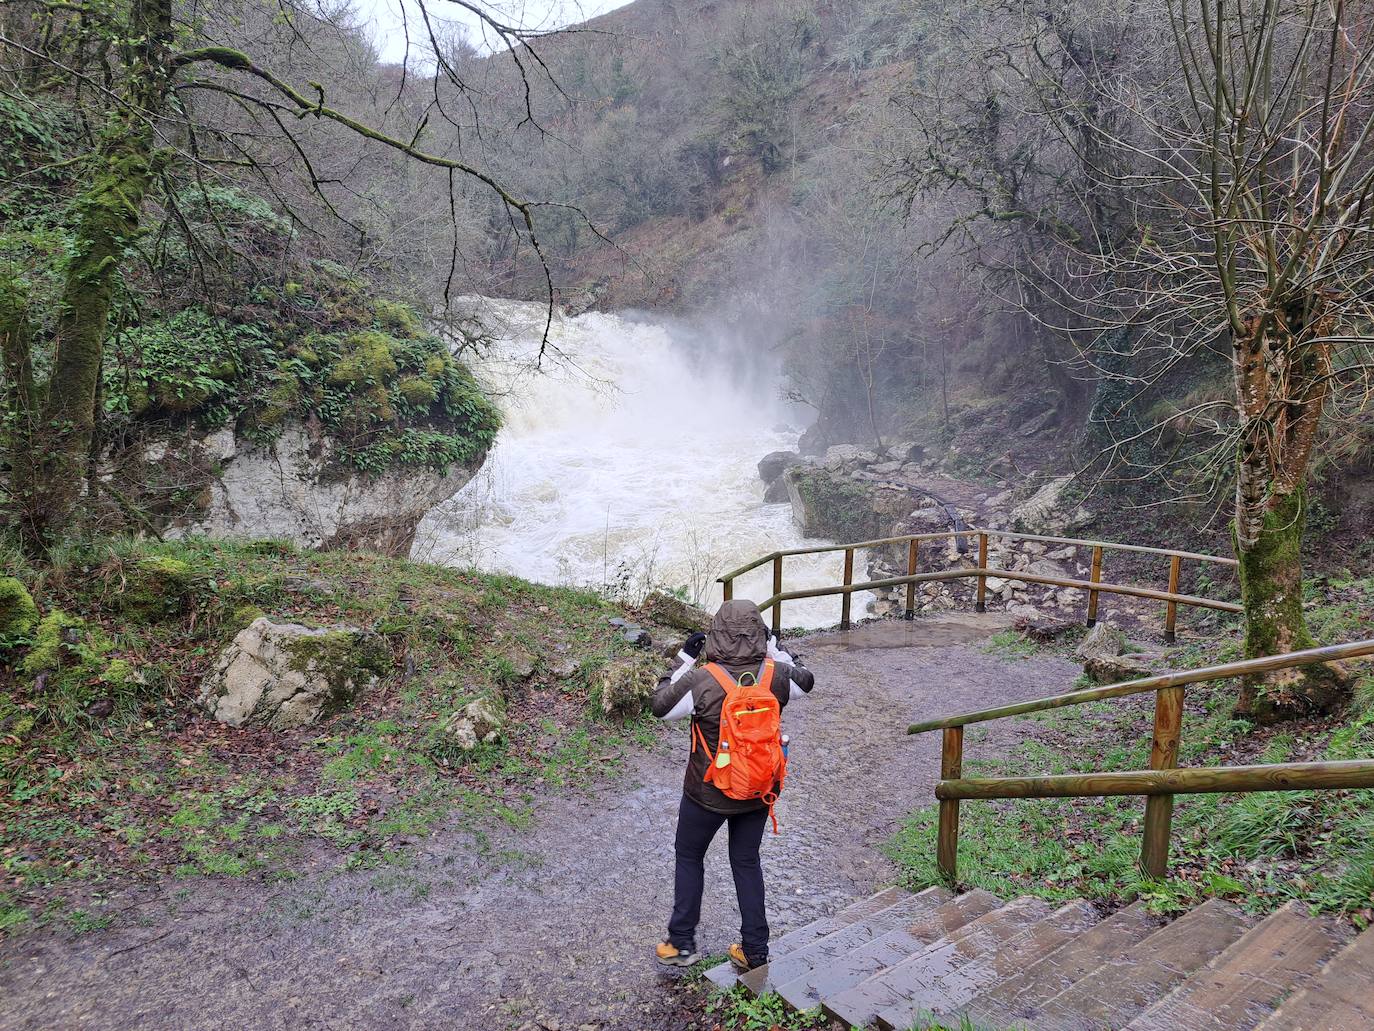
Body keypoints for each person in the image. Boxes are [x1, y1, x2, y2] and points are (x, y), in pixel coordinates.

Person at [649, 598, 814, 972]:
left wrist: (684, 658)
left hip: (706, 792)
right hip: (758, 789)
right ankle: (755, 950)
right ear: (758, 632)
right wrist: (775, 646)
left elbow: (660, 705)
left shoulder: (701, 679)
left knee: (690, 856)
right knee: (746, 860)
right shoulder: (777, 675)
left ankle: (681, 943)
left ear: (716, 634)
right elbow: (806, 679)